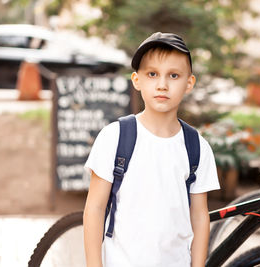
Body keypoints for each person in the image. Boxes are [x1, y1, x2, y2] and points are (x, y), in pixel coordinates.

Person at [83, 32, 220, 267]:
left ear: (189, 83)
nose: (162, 84)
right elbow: (94, 209)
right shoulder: (115, 137)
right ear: (137, 80)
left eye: (174, 75)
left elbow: (199, 215)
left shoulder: (197, 146)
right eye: (152, 74)